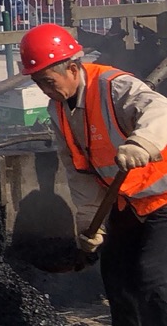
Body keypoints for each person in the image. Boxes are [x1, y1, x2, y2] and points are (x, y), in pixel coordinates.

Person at [21, 23, 167, 325]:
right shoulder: (59, 109)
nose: (47, 91)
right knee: (116, 277)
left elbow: (161, 111)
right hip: (130, 203)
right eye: (39, 84)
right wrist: (91, 225)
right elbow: (79, 171)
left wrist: (143, 142)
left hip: (163, 199)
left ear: (73, 69)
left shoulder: (115, 85)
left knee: (153, 282)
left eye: (49, 81)